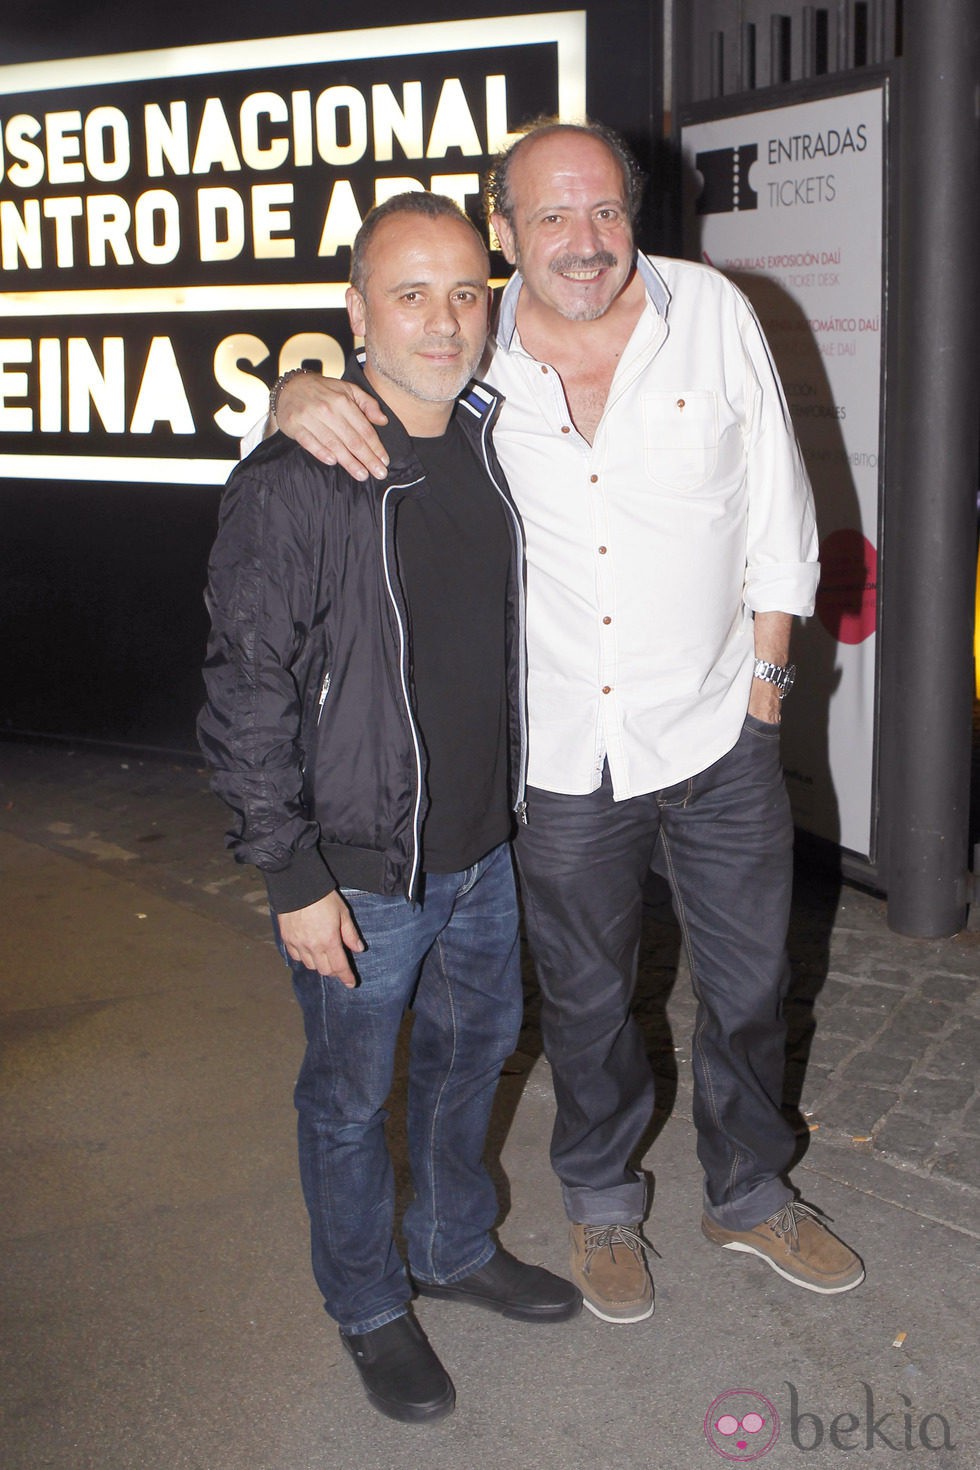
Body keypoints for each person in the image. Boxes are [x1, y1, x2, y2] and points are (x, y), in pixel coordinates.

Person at [270, 121, 865, 1324]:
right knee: (589, 1005)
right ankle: (601, 1203)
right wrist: (295, 392)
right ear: (503, 233)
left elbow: (777, 511)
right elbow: (343, 419)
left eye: (601, 212)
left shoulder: (708, 312)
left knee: (750, 991)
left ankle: (748, 1194)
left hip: (715, 737)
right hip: (558, 764)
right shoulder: (469, 353)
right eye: (548, 217)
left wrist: (766, 698)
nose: (581, 243)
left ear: (631, 215)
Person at [198, 191, 581, 1427]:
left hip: (480, 849)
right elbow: (245, 686)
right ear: (356, 312)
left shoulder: (489, 432)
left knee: (473, 1062)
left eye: (466, 290)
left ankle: (452, 1247)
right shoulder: (298, 475)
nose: (444, 319)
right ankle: (367, 1302)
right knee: (349, 1100)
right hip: (361, 869)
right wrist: (289, 873)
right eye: (409, 292)